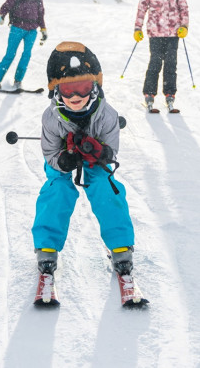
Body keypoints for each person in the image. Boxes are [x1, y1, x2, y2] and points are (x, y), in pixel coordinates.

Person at [33, 41, 135, 276]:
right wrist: (64, 160)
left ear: (95, 86)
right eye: (68, 90)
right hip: (62, 157)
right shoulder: (51, 119)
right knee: (57, 188)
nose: (76, 96)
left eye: (83, 87)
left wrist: (99, 151)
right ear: (56, 91)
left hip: (94, 160)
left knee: (105, 186)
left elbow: (111, 151)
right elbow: (49, 154)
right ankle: (46, 245)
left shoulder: (106, 115)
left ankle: (120, 244)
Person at [133, 0, 189, 112]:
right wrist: (138, 27)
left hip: (173, 33)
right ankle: (149, 94)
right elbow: (142, 8)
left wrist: (184, 26)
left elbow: (183, 7)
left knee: (171, 64)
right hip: (155, 33)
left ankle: (170, 94)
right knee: (155, 63)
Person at [0, 0, 47, 90]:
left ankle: (18, 81)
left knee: (26, 55)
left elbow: (41, 14)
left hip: (32, 31)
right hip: (17, 28)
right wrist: (1, 16)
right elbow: (6, 6)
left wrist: (43, 29)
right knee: (10, 54)